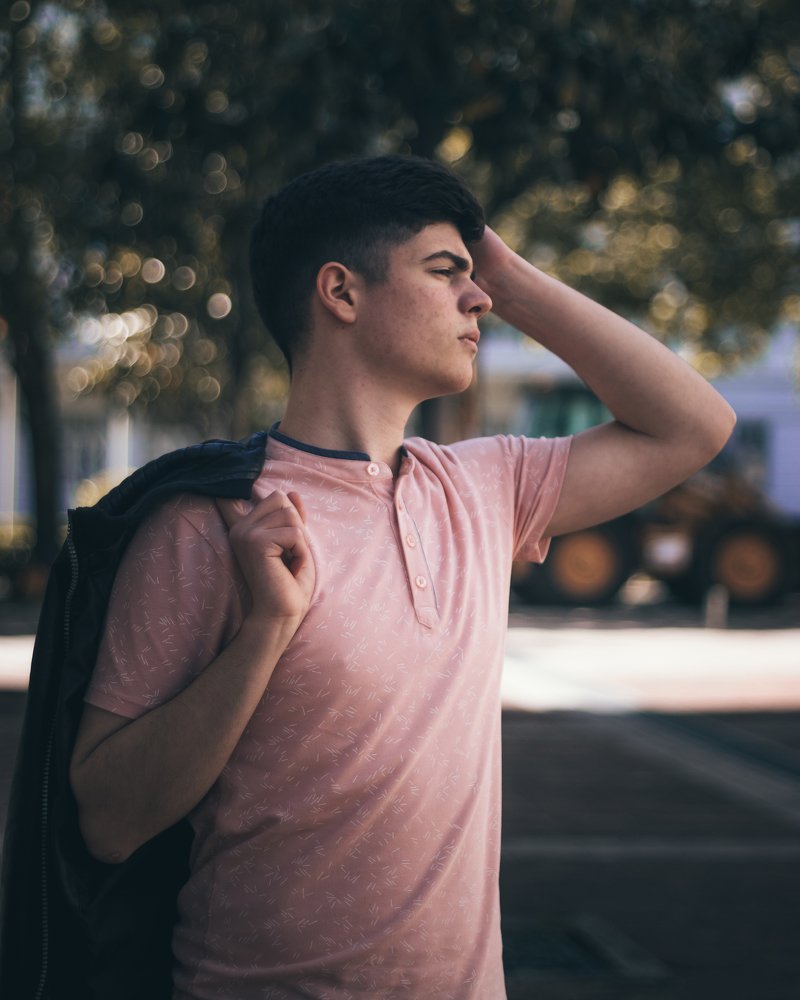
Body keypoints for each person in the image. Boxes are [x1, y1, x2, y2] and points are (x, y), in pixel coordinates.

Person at [68, 155, 735, 999]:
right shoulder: (212, 520)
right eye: (446, 271)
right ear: (341, 292)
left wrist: (508, 275)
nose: (478, 299)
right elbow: (110, 821)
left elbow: (695, 426)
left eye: (476, 277)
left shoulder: (485, 488)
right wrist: (264, 634)